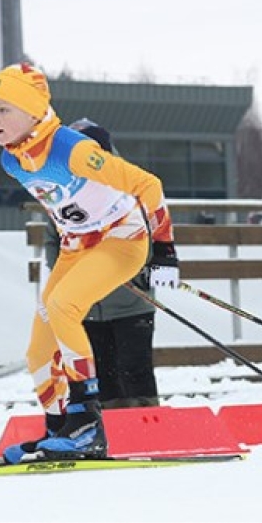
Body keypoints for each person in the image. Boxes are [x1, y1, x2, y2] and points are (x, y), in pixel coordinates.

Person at [0, 63, 178, 463]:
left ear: (32, 110)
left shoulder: (73, 150)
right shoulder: (13, 160)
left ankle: (86, 422)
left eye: (4, 109)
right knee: (38, 351)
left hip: (122, 240)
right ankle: (58, 429)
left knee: (63, 307)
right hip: (78, 248)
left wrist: (165, 253)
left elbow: (149, 185)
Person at [43, 118, 160, 409]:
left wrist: (135, 267)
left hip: (130, 303)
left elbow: (149, 234)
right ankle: (110, 427)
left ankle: (148, 425)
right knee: (101, 372)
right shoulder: (63, 193)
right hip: (88, 306)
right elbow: (52, 241)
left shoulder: (126, 186)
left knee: (135, 368)